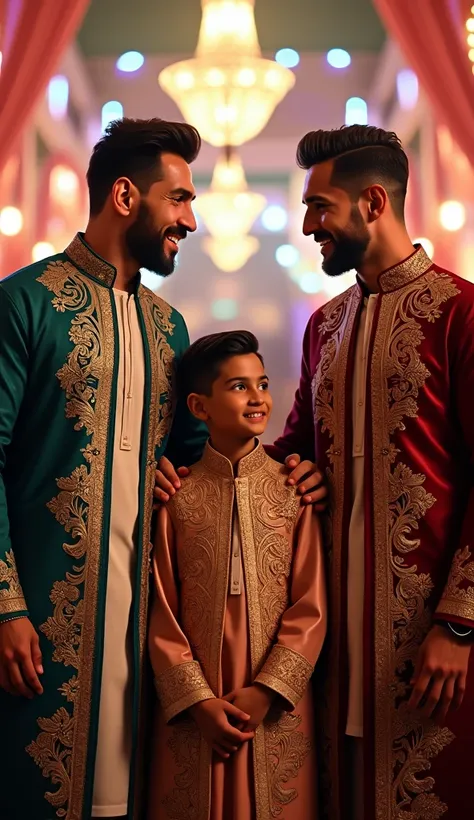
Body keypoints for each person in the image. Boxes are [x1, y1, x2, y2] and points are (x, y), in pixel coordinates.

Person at [0, 117, 322, 820]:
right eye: (178, 199)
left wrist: (290, 477)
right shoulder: (24, 303)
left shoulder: (167, 328)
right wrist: (7, 606)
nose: (191, 219)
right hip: (40, 620)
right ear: (124, 196)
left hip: (149, 623)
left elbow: (192, 464)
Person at [266, 125, 474, 820]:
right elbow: (296, 445)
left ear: (374, 202)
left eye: (320, 208)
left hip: (434, 641)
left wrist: (460, 625)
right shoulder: (324, 325)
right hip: (334, 638)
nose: (307, 226)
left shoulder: (461, 313)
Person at [148, 330, 327, 820]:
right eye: (238, 387)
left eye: (263, 384)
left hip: (273, 705)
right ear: (198, 407)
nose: (258, 398)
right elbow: (161, 611)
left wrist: (269, 690)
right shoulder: (176, 498)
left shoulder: (294, 494)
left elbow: (310, 605)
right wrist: (198, 702)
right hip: (196, 710)